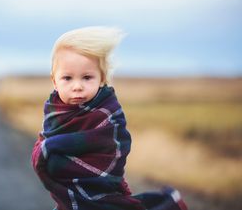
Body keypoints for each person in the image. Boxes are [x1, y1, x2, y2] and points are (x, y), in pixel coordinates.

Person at [31, 26, 188, 210]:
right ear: (54, 81)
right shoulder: (54, 111)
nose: (77, 86)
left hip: (103, 197)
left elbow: (114, 148)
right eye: (67, 78)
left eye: (87, 77)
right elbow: (44, 143)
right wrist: (46, 150)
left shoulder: (108, 113)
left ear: (102, 78)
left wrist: (54, 155)